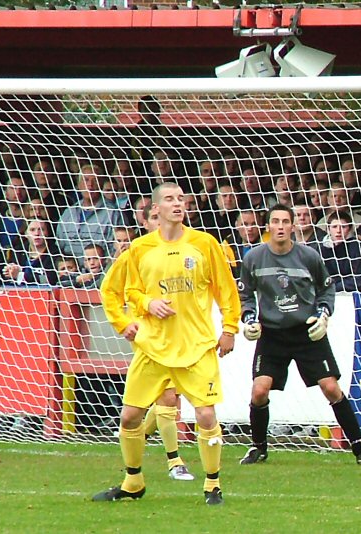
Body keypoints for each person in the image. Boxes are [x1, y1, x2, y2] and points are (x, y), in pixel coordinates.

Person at [93, 182, 239, 505]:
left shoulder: (205, 244)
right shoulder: (140, 249)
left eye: (182, 199)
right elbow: (122, 292)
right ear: (155, 209)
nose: (178, 204)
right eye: (170, 199)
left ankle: (212, 485)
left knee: (205, 415)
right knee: (130, 417)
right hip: (152, 348)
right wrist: (136, 314)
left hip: (196, 347)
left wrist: (230, 328)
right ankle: (133, 482)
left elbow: (226, 289)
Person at [238, 204, 361, 468]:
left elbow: (327, 290)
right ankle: (258, 447)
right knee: (259, 390)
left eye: (285, 222)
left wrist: (324, 315)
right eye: (275, 221)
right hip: (272, 334)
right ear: (267, 226)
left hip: (306, 332)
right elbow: (245, 294)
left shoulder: (309, 256)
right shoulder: (253, 258)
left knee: (331, 388)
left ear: (293, 227)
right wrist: (248, 318)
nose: (280, 226)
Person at [99, 201, 195, 483]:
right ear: (145, 223)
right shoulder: (135, 253)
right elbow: (109, 291)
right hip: (149, 335)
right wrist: (123, 323)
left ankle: (137, 435)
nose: (158, 221)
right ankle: (174, 461)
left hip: (181, 332)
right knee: (167, 395)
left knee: (170, 396)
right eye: (152, 217)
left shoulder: (184, 249)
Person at [1, 219, 59, 286]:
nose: (37, 234)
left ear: (47, 233)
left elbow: (51, 279)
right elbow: (6, 278)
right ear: (26, 233)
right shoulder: (17, 251)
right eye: (32, 230)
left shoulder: (55, 254)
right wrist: (8, 271)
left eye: (41, 230)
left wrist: (21, 275)